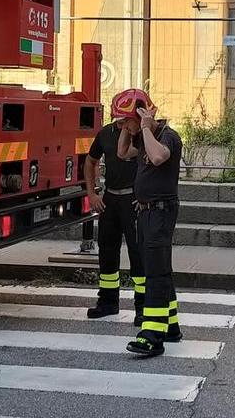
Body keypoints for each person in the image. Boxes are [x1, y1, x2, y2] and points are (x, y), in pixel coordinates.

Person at [117, 92, 184, 357]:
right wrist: (129, 128)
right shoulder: (140, 138)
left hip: (161, 212)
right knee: (157, 268)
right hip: (145, 211)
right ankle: (172, 326)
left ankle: (152, 335)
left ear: (142, 116)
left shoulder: (168, 136)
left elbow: (158, 158)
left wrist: (145, 127)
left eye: (126, 122)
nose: (124, 127)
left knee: (155, 274)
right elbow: (122, 153)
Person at [85, 89, 148, 322]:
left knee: (137, 252)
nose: (124, 124)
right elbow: (90, 162)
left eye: (127, 120)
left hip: (133, 200)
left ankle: (142, 307)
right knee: (107, 251)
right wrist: (92, 194)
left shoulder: (141, 136)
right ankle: (108, 301)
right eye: (120, 119)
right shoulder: (106, 134)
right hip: (110, 200)